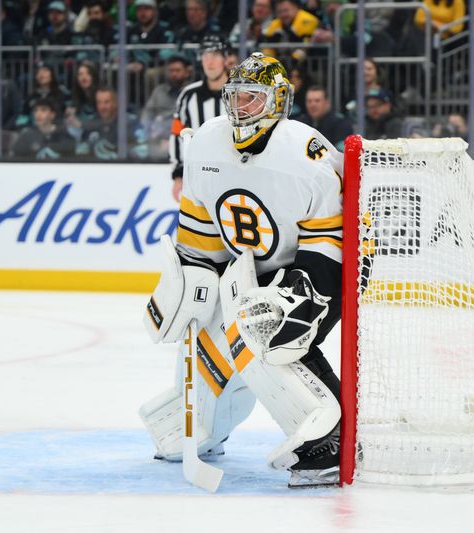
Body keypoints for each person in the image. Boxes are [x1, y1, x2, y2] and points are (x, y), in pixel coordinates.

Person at [140, 52, 343, 487]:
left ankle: (328, 438)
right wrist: (191, 284)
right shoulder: (207, 143)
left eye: (252, 98)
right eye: (235, 96)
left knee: (272, 333)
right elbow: (198, 237)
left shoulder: (305, 151)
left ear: (278, 101)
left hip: (314, 267)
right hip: (247, 270)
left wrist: (299, 293)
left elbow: (329, 240)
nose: (239, 107)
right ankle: (204, 429)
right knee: (207, 331)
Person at [168, 35, 231, 201]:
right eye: (206, 56)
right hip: (198, 178)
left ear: (226, 59)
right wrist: (178, 174)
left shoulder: (239, 93)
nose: (210, 62)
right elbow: (178, 134)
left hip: (235, 175)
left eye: (215, 55)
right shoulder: (189, 96)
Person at [141, 54, 193, 160]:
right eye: (171, 70)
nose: (174, 74)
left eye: (177, 70)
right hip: (159, 140)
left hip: (185, 140)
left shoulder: (192, 92)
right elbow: (147, 115)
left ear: (186, 72)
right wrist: (149, 133)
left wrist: (174, 140)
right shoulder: (159, 91)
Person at [78, 86, 145, 159]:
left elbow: (142, 153)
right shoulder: (90, 124)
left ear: (115, 103)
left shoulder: (131, 123)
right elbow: (80, 153)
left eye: (106, 102)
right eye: (99, 102)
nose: (102, 107)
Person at [261, 0, 319, 64]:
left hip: (307, 63)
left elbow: (305, 45)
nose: (283, 15)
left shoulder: (308, 20)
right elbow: (267, 46)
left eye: (286, 10)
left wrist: (291, 35)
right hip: (281, 64)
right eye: (280, 12)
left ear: (296, 8)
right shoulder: (274, 24)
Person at [296, 85, 352, 150]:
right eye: (309, 101)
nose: (313, 104)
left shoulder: (341, 124)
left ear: (327, 102)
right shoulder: (299, 123)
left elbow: (340, 153)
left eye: (317, 101)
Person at [18, 63, 70, 128]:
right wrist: (21, 127)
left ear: (52, 74)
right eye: (38, 72)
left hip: (58, 129)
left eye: (45, 71)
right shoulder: (31, 97)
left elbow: (69, 114)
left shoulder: (62, 93)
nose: (41, 74)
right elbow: (23, 116)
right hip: (36, 131)